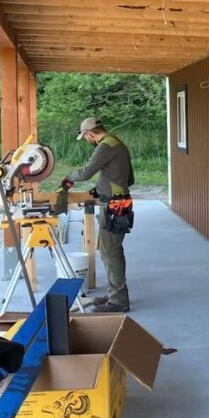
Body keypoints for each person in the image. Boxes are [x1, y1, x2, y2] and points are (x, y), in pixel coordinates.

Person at [61, 117, 135, 313]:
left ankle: (118, 300)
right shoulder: (117, 142)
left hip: (113, 205)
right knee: (111, 250)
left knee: (111, 252)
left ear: (89, 134)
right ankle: (114, 294)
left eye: (86, 137)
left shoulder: (105, 146)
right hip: (119, 202)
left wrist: (68, 177)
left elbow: (85, 173)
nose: (87, 141)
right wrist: (103, 187)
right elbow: (128, 178)